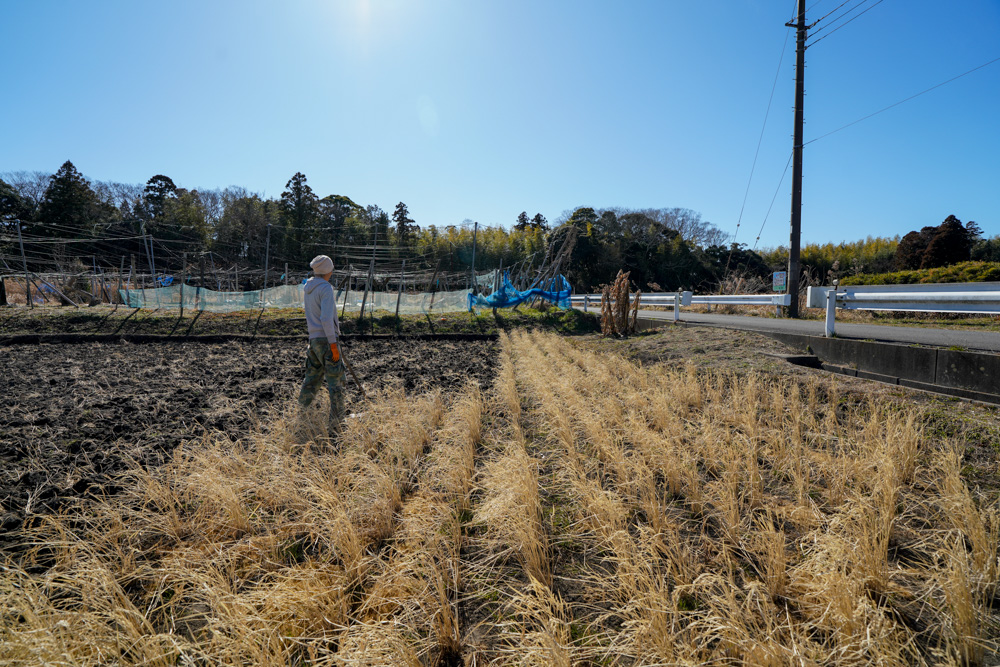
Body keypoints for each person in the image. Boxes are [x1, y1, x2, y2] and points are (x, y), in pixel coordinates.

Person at [298, 255, 346, 435]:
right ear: (328, 271)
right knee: (336, 383)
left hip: (313, 340)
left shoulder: (308, 288)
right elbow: (326, 318)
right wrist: (333, 344)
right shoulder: (325, 288)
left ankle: (301, 414)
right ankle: (337, 423)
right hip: (326, 341)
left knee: (311, 379)